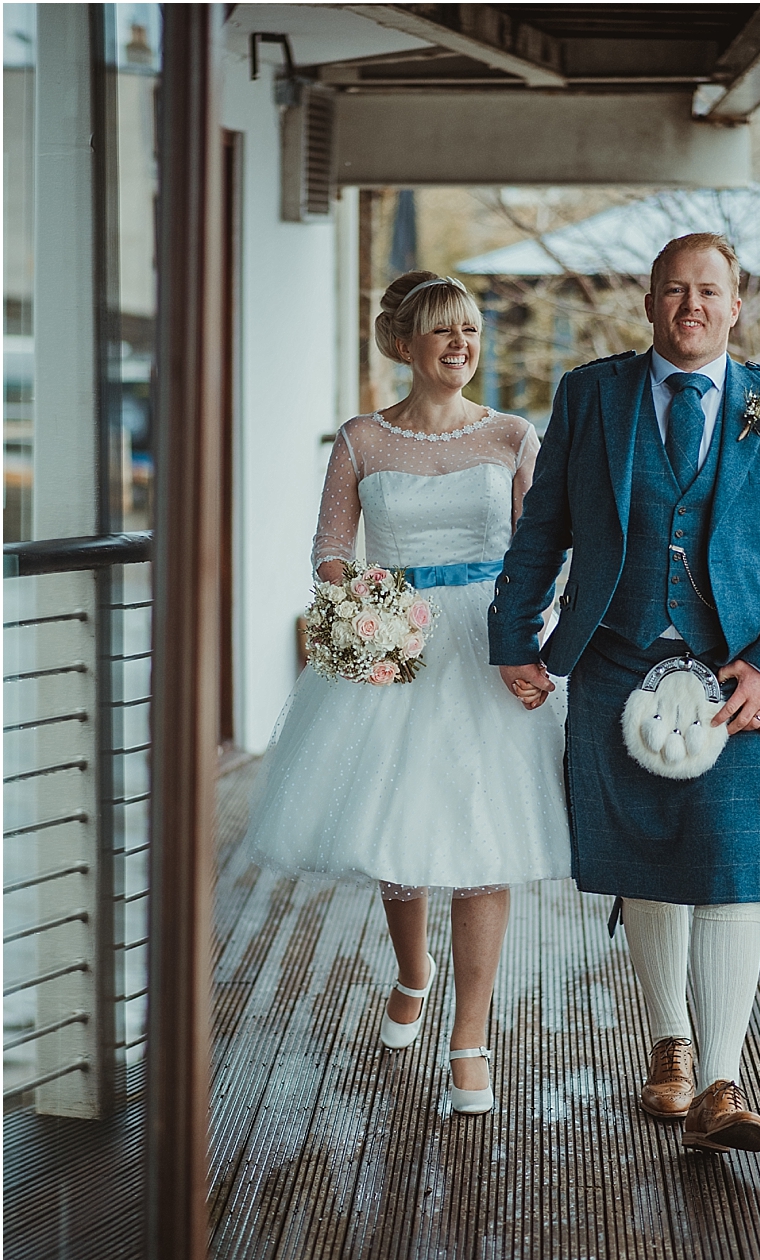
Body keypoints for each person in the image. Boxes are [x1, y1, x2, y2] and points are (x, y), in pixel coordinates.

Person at [489, 232, 760, 1155]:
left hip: (736, 674)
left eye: (709, 291)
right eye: (674, 290)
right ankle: (669, 1046)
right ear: (650, 302)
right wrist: (512, 635)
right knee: (648, 863)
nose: (692, 306)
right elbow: (544, 531)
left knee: (733, 868)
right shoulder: (593, 394)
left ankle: (723, 1079)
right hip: (614, 656)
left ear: (737, 304)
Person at [245, 270, 570, 1116]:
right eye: (442, 333)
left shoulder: (509, 436)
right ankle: (412, 968)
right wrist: (352, 600)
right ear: (404, 345)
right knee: (398, 825)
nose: (462, 346)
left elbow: (543, 548)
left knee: (483, 837)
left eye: (470, 331)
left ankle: (470, 1037)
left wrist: (533, 635)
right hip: (398, 639)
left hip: (487, 644)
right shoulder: (361, 439)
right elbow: (330, 541)